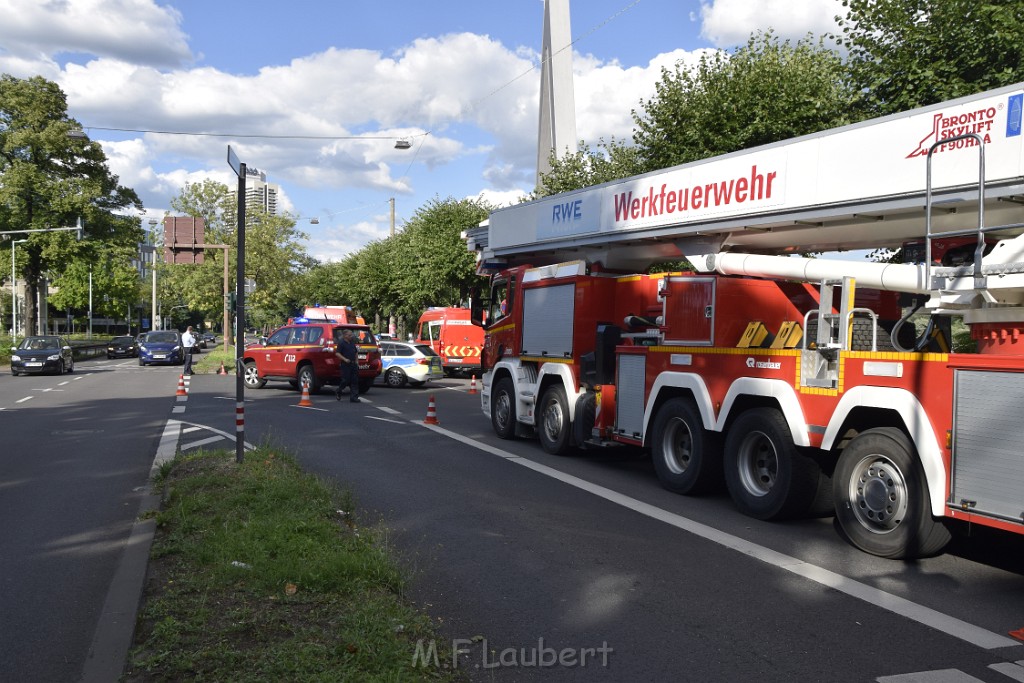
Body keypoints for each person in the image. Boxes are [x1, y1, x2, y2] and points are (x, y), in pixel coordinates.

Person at [334, 328, 360, 403]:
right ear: (345, 336)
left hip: (353, 364)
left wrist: (356, 361)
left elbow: (355, 352)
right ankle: (339, 391)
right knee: (345, 380)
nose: (351, 336)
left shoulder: (352, 342)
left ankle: (354, 397)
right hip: (345, 364)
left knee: (354, 381)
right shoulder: (341, 343)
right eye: (349, 335)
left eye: (351, 335)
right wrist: (345, 359)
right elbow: (337, 353)